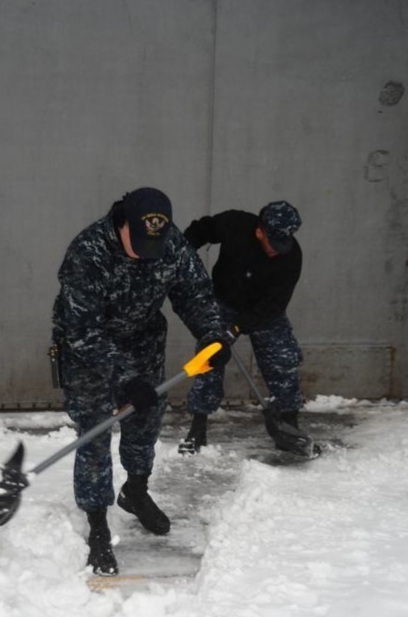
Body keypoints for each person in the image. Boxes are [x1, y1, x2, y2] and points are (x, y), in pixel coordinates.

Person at [52, 187, 231, 576]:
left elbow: (194, 292)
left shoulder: (169, 241)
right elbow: (81, 331)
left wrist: (211, 334)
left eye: (157, 244)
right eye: (140, 244)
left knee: (144, 423)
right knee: (95, 433)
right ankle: (97, 524)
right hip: (89, 349)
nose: (150, 252)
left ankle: (135, 490)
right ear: (122, 225)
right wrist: (125, 377)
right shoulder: (88, 253)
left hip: (143, 341)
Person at [178, 200, 309, 454]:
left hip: (264, 312)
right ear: (260, 230)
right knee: (209, 358)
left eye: (285, 243)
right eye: (274, 243)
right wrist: (183, 254)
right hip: (224, 301)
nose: (278, 250)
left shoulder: (291, 256)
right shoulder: (235, 224)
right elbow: (202, 230)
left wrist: (238, 327)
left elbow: (274, 304)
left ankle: (290, 423)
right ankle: (198, 426)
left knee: (283, 359)